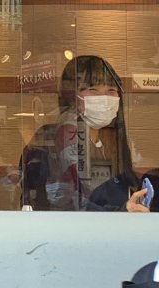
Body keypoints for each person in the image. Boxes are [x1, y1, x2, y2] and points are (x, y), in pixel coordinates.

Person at [21, 54, 146, 211]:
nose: (104, 97)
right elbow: (76, 198)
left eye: (111, 90)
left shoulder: (110, 135)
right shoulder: (68, 132)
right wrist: (121, 211)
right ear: (73, 95)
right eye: (93, 89)